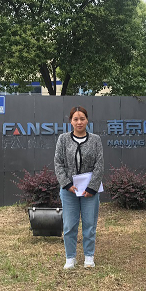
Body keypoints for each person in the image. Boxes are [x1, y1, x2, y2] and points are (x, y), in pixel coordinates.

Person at [54, 107, 104, 269]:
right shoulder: (63, 139)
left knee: (89, 224)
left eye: (82, 118)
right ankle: (70, 257)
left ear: (87, 120)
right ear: (71, 121)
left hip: (90, 191)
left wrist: (92, 187)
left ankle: (89, 256)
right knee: (69, 225)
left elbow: (99, 165)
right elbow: (58, 163)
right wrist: (67, 184)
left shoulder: (95, 140)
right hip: (69, 191)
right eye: (75, 119)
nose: (79, 122)